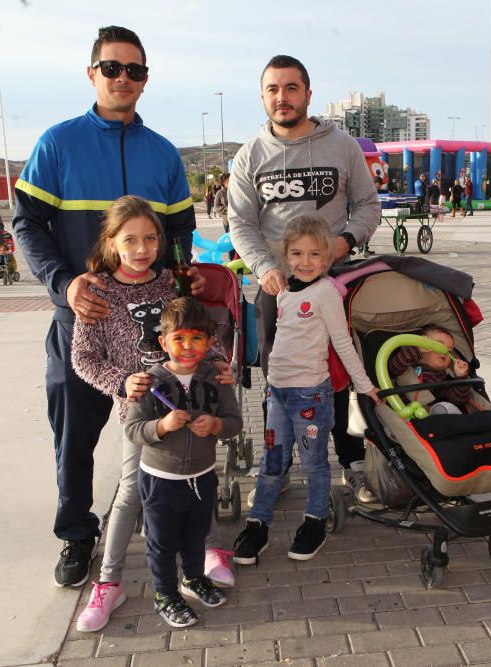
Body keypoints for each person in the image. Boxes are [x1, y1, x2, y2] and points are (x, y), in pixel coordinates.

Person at [12, 26, 203, 588]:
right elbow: (25, 223)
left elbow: (182, 233)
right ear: (91, 73)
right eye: (112, 68)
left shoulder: (163, 153)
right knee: (73, 438)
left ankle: (155, 514)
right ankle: (76, 533)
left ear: (146, 79)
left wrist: (182, 274)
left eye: (135, 70)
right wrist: (63, 284)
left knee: (163, 428)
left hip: (155, 338)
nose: (123, 78)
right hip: (86, 324)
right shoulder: (58, 143)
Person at [69, 196, 233, 632]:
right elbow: (84, 358)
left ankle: (205, 555)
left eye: (150, 238)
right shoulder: (97, 291)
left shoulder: (173, 282)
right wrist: (122, 382)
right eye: (130, 240)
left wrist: (218, 363)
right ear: (111, 243)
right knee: (131, 492)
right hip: (141, 415)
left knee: (200, 479)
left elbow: (197, 330)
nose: (142, 249)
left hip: (192, 402)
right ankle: (110, 581)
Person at [227, 54, 381, 505]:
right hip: (278, 289)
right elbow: (241, 223)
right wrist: (265, 268)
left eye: (291, 88)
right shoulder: (249, 156)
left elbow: (367, 206)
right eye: (273, 89)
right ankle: (278, 466)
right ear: (262, 97)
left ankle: (353, 462)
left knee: (341, 374)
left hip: (334, 285)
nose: (282, 97)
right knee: (280, 379)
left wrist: (344, 242)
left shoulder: (342, 146)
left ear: (308, 94)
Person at [232, 215, 380, 566]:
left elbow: (343, 344)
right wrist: (269, 387)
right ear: (285, 256)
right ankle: (258, 526)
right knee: (271, 461)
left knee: (314, 464)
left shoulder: (326, 293)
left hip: (310, 399)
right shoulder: (283, 293)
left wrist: (365, 387)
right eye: (297, 253)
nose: (306, 261)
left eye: (315, 254)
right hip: (277, 396)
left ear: (328, 257)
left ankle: (314, 521)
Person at [124, 297, 241, 628]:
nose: (188, 347)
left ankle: (192, 578)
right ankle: (164, 593)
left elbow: (234, 422)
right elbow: (133, 429)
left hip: (203, 476)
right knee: (162, 542)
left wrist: (216, 426)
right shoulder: (150, 382)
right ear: (164, 341)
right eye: (179, 339)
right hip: (160, 480)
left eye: (196, 339)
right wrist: (161, 426)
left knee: (195, 535)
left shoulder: (216, 379)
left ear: (208, 341)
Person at [388, 325, 471, 415]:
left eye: (449, 351)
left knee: (446, 407)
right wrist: (417, 349)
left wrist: (461, 377)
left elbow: (458, 399)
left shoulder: (443, 377)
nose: (444, 351)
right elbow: (394, 367)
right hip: (400, 410)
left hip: (427, 414)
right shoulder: (407, 364)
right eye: (439, 345)